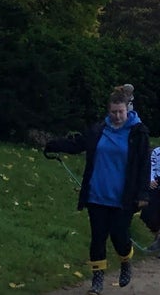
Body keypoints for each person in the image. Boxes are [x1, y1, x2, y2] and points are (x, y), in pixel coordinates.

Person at [45, 88, 151, 294]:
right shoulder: (98, 130)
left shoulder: (138, 132)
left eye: (121, 112)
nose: (117, 116)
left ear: (127, 110)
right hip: (97, 193)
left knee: (120, 235)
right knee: (98, 237)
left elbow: (144, 165)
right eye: (113, 112)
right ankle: (97, 279)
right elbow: (78, 144)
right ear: (108, 111)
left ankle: (125, 261)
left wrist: (143, 194)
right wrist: (52, 144)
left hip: (124, 196)